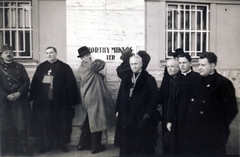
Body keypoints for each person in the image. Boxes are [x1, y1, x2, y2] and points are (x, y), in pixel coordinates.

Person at [182, 52, 238, 156]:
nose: (199, 68)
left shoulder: (223, 83)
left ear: (212, 66)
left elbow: (231, 110)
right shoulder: (195, 80)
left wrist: (218, 127)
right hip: (193, 132)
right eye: (198, 64)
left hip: (212, 135)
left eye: (203, 65)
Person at [29, 46, 80, 154]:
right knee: (45, 123)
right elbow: (35, 84)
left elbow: (71, 84)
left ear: (56, 53)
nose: (49, 55)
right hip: (44, 102)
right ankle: (46, 145)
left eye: (51, 52)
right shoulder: (41, 67)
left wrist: (70, 101)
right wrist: (36, 98)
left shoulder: (64, 67)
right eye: (47, 53)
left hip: (60, 101)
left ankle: (61, 144)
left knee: (60, 123)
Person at [114, 54, 159, 157]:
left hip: (140, 118)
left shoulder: (149, 79)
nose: (134, 66)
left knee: (141, 147)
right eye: (132, 64)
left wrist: (148, 114)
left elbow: (154, 99)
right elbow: (120, 95)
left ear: (141, 64)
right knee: (126, 145)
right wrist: (117, 110)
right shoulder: (126, 78)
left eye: (136, 64)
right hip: (126, 116)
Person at [76, 46, 116, 154]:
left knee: (89, 122)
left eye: (88, 54)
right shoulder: (91, 65)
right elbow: (101, 63)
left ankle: (82, 144)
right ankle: (95, 147)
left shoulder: (80, 68)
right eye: (85, 55)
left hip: (86, 97)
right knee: (97, 121)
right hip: (95, 97)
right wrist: (92, 61)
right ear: (82, 57)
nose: (88, 56)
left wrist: (98, 75)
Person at [166, 53, 200, 155]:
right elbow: (171, 101)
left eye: (184, 62)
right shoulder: (176, 79)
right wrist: (169, 120)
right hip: (178, 119)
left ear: (190, 63)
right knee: (178, 146)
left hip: (192, 119)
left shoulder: (197, 78)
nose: (182, 65)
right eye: (180, 63)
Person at [0, 44, 31, 156]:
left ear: (13, 54)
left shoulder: (20, 67)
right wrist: (6, 96)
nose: (8, 54)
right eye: (6, 52)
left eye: (10, 52)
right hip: (5, 102)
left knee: (22, 125)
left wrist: (19, 93)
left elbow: (26, 81)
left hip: (20, 100)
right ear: (2, 55)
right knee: (9, 125)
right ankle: (12, 149)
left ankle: (24, 148)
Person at [158, 58, 180, 155]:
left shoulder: (181, 79)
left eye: (172, 66)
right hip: (166, 112)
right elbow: (161, 94)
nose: (169, 69)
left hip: (177, 115)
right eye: (168, 67)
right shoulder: (166, 78)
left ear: (178, 67)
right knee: (166, 138)